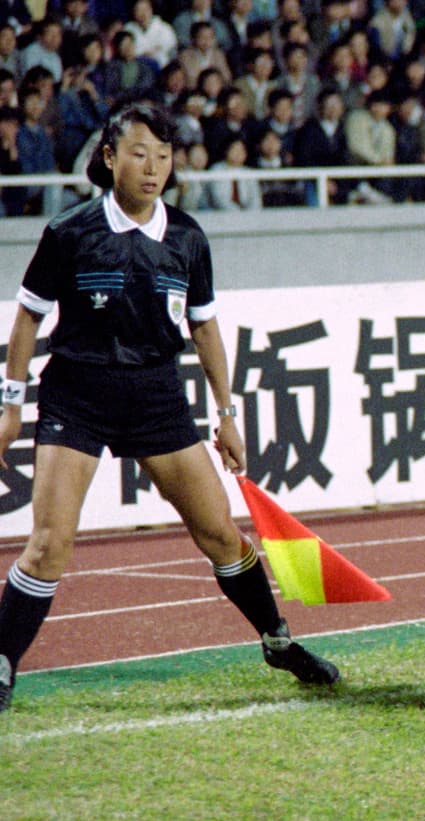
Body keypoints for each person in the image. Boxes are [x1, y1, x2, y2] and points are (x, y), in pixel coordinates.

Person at [0, 103, 339, 713]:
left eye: (163, 156)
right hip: (77, 394)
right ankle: (2, 662)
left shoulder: (186, 236)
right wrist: (11, 402)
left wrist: (226, 413)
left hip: (156, 395)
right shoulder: (70, 231)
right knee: (49, 544)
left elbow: (205, 330)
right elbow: (27, 316)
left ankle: (277, 639)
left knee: (219, 535)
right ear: (108, 158)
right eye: (138, 154)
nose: (152, 168)